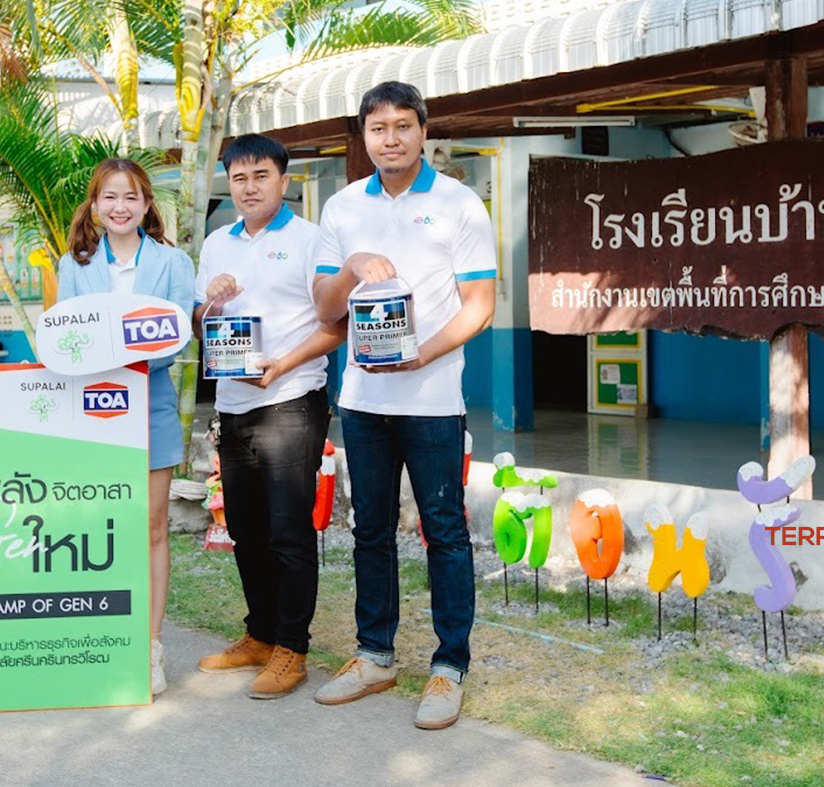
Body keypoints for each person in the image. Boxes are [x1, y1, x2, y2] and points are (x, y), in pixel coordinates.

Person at [311, 82, 496, 729]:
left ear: (423, 131)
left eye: (401, 126)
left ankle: (450, 668)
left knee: (444, 531)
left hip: (433, 398)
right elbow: (327, 308)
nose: (389, 138)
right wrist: (353, 264)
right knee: (369, 530)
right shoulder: (340, 208)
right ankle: (374, 655)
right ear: (364, 135)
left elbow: (481, 305)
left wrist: (425, 354)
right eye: (377, 128)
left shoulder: (459, 203)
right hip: (362, 398)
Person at [191, 134, 343, 698]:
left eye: (261, 176)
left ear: (285, 181)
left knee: (287, 530)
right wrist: (210, 301)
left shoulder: (310, 241)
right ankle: (259, 633)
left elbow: (335, 324)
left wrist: (281, 366)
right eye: (239, 178)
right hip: (233, 404)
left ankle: (292, 649)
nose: (249, 187)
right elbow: (200, 322)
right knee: (246, 529)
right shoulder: (215, 244)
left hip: (292, 399)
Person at [56, 158, 194, 697]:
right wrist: (107, 358)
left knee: (152, 527)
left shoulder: (173, 262)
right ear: (95, 205)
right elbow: (69, 335)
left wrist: (130, 359)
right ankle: (103, 642)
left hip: (152, 400)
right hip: (94, 406)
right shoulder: (75, 263)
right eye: (110, 197)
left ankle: (149, 646)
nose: (120, 207)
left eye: (132, 197)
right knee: (100, 526)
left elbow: (177, 335)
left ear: (146, 205)